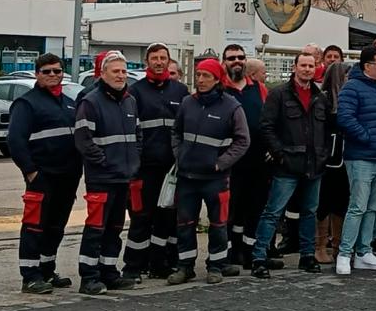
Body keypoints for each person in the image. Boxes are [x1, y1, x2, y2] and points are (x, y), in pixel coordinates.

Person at [168, 58, 250, 284]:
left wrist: (221, 163)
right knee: (184, 225)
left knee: (218, 225)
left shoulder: (232, 106)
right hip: (187, 178)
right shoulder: (187, 103)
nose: (200, 80)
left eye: (206, 76)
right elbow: (176, 132)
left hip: (216, 179)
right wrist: (180, 155)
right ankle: (185, 267)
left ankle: (216, 266)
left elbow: (243, 141)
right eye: (198, 75)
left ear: (217, 79)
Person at [8, 53, 82, 294]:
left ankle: (47, 270)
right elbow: (16, 142)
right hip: (42, 177)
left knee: (56, 226)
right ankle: (30, 275)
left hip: (67, 177)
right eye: (47, 71)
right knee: (35, 226)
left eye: (57, 71)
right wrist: (30, 173)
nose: (53, 75)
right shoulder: (26, 104)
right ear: (37, 74)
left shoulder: (69, 103)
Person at [252, 53, 330, 278]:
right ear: (295, 67)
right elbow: (266, 127)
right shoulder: (279, 95)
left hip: (314, 165)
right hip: (287, 165)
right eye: (303, 65)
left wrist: (323, 154)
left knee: (309, 212)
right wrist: (279, 154)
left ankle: (307, 256)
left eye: (311, 66)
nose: (307, 69)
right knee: (273, 212)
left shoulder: (320, 97)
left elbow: (326, 131)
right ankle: (259, 257)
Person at [73, 51, 140, 295]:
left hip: (123, 177)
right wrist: (104, 162)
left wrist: (134, 161)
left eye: (123, 71)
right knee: (95, 229)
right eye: (115, 71)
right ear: (103, 74)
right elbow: (83, 140)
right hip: (101, 178)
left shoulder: (130, 102)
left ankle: (109, 272)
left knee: (115, 228)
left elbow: (137, 135)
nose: (121, 76)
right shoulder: (90, 102)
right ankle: (88, 277)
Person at [123, 44, 189, 281]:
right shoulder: (135, 92)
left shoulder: (181, 92)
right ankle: (132, 266)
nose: (159, 62)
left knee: (166, 217)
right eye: (155, 58)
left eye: (163, 58)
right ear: (147, 62)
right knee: (141, 217)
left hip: (171, 169)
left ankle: (159, 263)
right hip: (145, 168)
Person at [334, 45, 376, 275]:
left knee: (372, 207)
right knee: (358, 206)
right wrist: (366, 137)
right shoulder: (352, 87)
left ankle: (363, 252)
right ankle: (344, 253)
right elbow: (345, 118)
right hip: (361, 155)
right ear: (367, 65)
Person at [221, 44, 270, 269]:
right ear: (224, 62)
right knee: (232, 212)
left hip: (258, 162)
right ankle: (232, 253)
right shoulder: (219, 89)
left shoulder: (259, 89)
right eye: (232, 58)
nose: (237, 61)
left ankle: (251, 254)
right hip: (231, 163)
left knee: (254, 210)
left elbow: (269, 121)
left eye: (241, 57)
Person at [314, 61, 350, 264]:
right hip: (327, 159)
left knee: (341, 203)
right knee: (323, 203)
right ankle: (320, 246)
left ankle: (337, 245)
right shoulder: (323, 99)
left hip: (344, 158)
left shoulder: (348, 99)